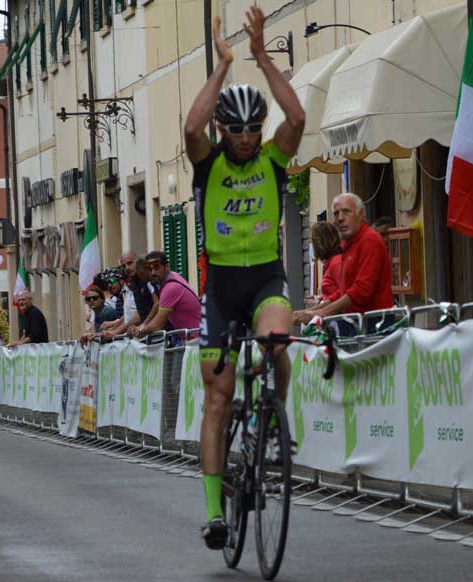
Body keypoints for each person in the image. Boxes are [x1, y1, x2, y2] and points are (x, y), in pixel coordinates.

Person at [183, 4, 306, 549]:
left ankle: (274, 423)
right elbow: (190, 126)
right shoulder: (207, 163)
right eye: (236, 131)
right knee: (216, 399)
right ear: (223, 131)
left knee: (278, 338)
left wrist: (261, 56)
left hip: (264, 281)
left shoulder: (273, 162)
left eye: (253, 130)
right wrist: (224, 65)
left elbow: (297, 120)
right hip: (220, 292)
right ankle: (214, 512)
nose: (247, 139)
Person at [293, 193, 394, 331]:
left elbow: (361, 291)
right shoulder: (347, 245)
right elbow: (343, 291)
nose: (340, 218)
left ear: (361, 214)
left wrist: (320, 313)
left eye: (346, 211)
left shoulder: (369, 240)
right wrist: (313, 311)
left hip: (374, 323)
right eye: (336, 213)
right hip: (356, 322)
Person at [129, 251, 199, 339]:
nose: (153, 272)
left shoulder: (170, 288)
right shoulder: (173, 276)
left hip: (195, 340)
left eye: (156, 267)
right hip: (192, 338)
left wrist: (139, 330)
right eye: (149, 269)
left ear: (166, 267)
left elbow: (157, 325)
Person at [308, 221, 344, 309]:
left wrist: (321, 302)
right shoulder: (331, 262)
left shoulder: (336, 263)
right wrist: (321, 298)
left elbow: (344, 293)